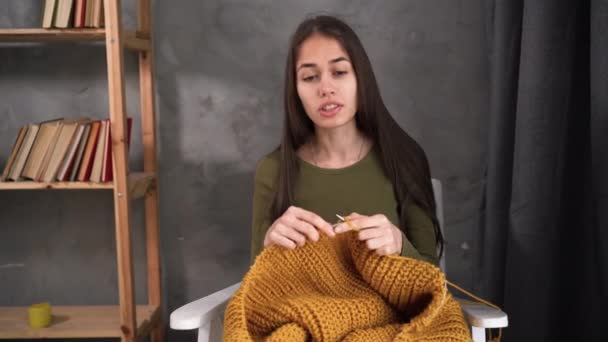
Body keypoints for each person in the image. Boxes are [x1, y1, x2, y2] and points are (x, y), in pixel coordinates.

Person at [250, 15, 443, 266]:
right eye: (310, 77)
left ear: (360, 78)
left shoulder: (405, 158)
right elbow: (254, 283)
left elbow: (432, 278)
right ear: (295, 90)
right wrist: (270, 243)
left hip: (390, 306)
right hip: (301, 305)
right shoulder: (273, 170)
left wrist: (399, 243)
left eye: (339, 72)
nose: (326, 88)